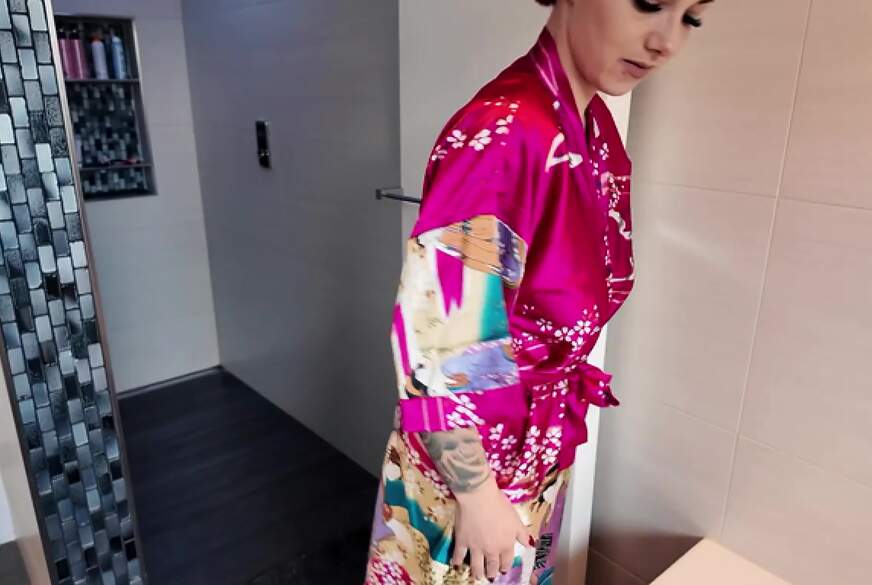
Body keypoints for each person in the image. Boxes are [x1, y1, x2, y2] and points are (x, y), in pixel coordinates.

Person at [365, 0, 714, 583]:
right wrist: (478, 497)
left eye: (691, 17)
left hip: (534, 444)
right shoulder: (507, 132)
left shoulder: (592, 125)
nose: (667, 41)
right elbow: (438, 334)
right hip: (473, 468)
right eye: (649, 4)